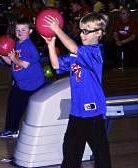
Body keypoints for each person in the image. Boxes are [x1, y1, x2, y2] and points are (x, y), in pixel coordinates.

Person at [41, 12, 112, 167]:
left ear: (99, 33)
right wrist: (51, 45)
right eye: (81, 31)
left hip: (92, 109)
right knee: (71, 148)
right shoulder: (77, 54)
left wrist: (57, 30)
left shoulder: (95, 52)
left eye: (87, 31)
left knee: (100, 151)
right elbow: (56, 66)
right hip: (77, 109)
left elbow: (73, 48)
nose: (82, 34)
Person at [0, 18, 45, 138]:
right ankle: (11, 130)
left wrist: (13, 58)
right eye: (17, 30)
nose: (20, 32)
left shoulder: (30, 47)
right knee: (13, 105)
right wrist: (3, 55)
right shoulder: (16, 44)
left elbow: (24, 64)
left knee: (36, 109)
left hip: (34, 85)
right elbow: (11, 62)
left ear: (30, 32)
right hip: (21, 84)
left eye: (23, 30)